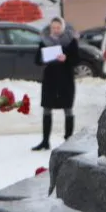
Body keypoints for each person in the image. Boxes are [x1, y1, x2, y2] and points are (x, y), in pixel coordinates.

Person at [32, 17, 80, 151]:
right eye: (53, 28)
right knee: (47, 108)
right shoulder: (44, 41)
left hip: (66, 79)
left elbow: (77, 59)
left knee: (68, 108)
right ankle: (45, 141)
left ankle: (68, 139)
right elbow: (37, 60)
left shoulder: (71, 41)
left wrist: (66, 58)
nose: (56, 30)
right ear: (50, 28)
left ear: (63, 28)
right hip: (50, 79)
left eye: (58, 28)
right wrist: (44, 58)